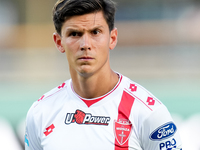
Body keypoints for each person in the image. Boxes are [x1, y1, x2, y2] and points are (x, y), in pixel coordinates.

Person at [25, 0, 182, 149]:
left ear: (112, 39)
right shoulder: (40, 112)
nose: (85, 44)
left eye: (95, 32)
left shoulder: (148, 113)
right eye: (74, 34)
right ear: (59, 42)